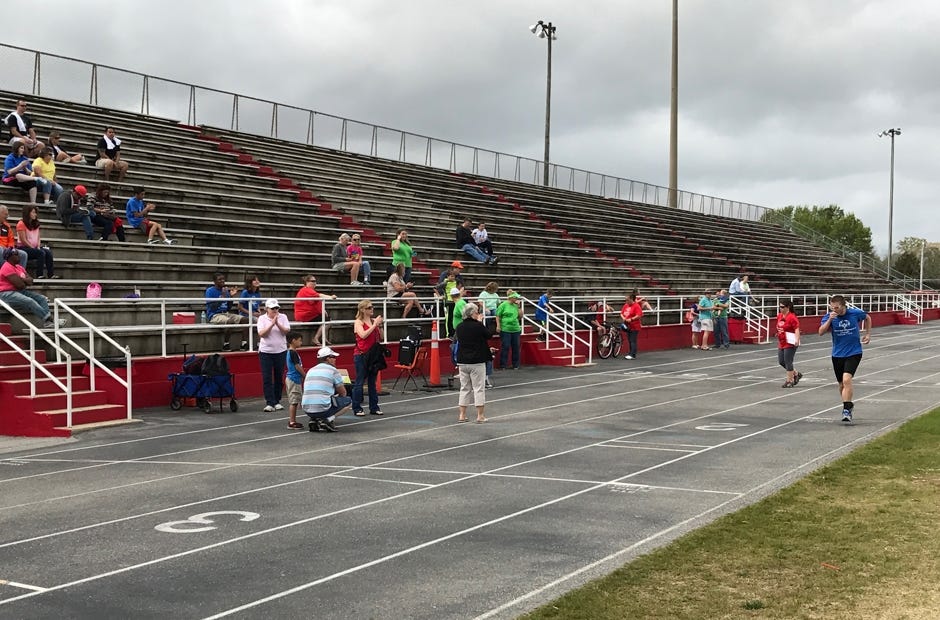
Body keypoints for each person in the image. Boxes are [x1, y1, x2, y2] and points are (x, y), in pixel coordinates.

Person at [818, 295, 871, 423]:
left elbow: (867, 317)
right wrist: (829, 320)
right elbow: (820, 332)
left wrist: (868, 333)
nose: (834, 310)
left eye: (837, 307)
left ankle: (846, 409)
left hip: (854, 352)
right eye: (832, 307)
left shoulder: (854, 313)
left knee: (847, 379)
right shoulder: (830, 316)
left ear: (843, 306)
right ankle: (848, 404)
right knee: (841, 385)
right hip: (837, 354)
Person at [0, 247, 60, 328]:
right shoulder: (6, 267)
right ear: (10, 257)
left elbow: (31, 281)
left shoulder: (19, 267)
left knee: (42, 298)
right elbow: (20, 285)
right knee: (30, 301)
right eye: (16, 254)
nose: (19, 256)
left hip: (19, 291)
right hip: (6, 294)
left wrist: (21, 279)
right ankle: (49, 320)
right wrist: (25, 280)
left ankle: (48, 322)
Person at [455, 303, 493, 423]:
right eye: (477, 312)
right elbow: (488, 335)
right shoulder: (478, 326)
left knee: (464, 388)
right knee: (478, 388)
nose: (478, 314)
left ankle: (462, 415)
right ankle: (480, 415)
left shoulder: (459, 326)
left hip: (462, 360)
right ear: (472, 314)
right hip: (476, 361)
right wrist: (480, 322)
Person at [302, 346, 353, 432]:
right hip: (323, 408)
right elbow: (343, 393)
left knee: (319, 398)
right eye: (333, 357)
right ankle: (328, 420)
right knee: (348, 401)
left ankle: (314, 420)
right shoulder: (333, 370)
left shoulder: (311, 370)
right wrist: (337, 396)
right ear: (327, 359)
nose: (335, 359)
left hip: (306, 408)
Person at [352, 299, 384, 417]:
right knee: (360, 381)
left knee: (372, 382)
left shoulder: (373, 321)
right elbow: (363, 335)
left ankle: (374, 407)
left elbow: (381, 336)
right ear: (363, 310)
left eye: (372, 307)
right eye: (369, 308)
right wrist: (374, 325)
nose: (372, 309)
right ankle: (357, 407)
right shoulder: (358, 322)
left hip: (373, 355)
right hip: (361, 354)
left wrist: (379, 326)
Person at [257, 298, 290, 412]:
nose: (275, 310)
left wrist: (278, 323)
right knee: (267, 377)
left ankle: (277, 401)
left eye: (276, 308)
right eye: (272, 308)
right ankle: (269, 402)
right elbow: (262, 334)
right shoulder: (262, 318)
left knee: (278, 377)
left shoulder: (283, 317)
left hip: (280, 351)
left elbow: (286, 331)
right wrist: (272, 324)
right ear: (267, 309)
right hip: (266, 352)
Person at [205, 272, 248, 351]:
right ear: (214, 281)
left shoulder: (225, 290)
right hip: (214, 315)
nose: (222, 281)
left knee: (245, 319)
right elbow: (211, 306)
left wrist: (231, 297)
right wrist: (223, 297)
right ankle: (226, 344)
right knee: (230, 321)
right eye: (220, 279)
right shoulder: (210, 291)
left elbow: (228, 307)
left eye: (223, 279)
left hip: (225, 313)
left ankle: (244, 344)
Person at [15, 205, 56, 279]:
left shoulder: (35, 223)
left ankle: (51, 274)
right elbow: (23, 240)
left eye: (35, 213)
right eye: (33, 212)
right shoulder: (21, 224)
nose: (35, 214)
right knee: (40, 253)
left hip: (34, 247)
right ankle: (39, 275)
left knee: (48, 252)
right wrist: (33, 248)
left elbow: (38, 237)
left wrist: (38, 246)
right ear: (28, 213)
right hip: (23, 247)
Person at [294, 274, 335, 346]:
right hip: (305, 315)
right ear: (306, 282)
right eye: (312, 281)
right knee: (327, 321)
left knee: (327, 319)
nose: (315, 283)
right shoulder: (306, 290)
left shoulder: (309, 290)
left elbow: (316, 302)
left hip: (309, 314)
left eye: (315, 281)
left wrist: (323, 311)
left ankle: (323, 338)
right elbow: (319, 295)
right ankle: (316, 338)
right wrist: (331, 297)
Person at [776, 300, 802, 388]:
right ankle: (796, 373)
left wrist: (797, 340)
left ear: (788, 307)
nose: (780, 308)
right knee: (781, 361)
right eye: (780, 307)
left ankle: (789, 380)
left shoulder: (792, 317)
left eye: (782, 307)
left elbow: (796, 329)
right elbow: (779, 326)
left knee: (788, 361)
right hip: (782, 341)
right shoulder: (779, 316)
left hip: (789, 342)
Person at [495, 291, 523, 369]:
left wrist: (519, 307)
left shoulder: (516, 306)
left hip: (515, 329)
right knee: (505, 346)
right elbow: (497, 315)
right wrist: (498, 326)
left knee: (516, 347)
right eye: (515, 297)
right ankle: (503, 365)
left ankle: (516, 364)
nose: (516, 298)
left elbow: (521, 316)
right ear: (511, 297)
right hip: (505, 329)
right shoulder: (503, 305)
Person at [284, 331, 306, 429]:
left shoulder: (292, 352)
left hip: (293, 378)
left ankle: (293, 420)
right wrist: (304, 375)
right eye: (300, 341)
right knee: (294, 401)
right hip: (294, 379)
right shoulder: (293, 353)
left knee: (295, 400)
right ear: (293, 341)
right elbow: (297, 366)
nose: (301, 343)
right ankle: (292, 421)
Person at [620, 293, 643, 360]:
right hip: (627, 325)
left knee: (633, 340)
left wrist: (631, 319)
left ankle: (632, 354)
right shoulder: (626, 305)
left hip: (634, 326)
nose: (626, 301)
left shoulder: (636, 306)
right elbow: (621, 313)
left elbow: (639, 315)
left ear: (631, 299)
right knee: (630, 340)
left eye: (627, 300)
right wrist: (623, 318)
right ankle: (630, 353)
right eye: (626, 300)